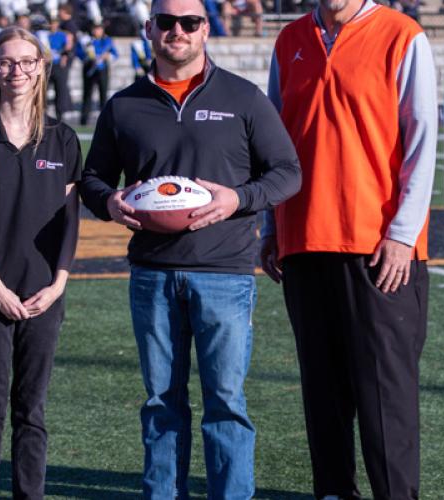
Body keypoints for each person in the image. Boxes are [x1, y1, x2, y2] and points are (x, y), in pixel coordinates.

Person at [79, 0, 301, 497]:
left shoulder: (243, 98)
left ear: (206, 29)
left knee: (225, 402)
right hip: (152, 273)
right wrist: (110, 202)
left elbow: (288, 172)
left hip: (225, 273)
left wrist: (236, 199)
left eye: (190, 22)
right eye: (166, 22)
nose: (176, 31)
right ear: (149, 28)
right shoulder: (125, 104)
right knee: (161, 401)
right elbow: (93, 178)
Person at [261, 0, 437, 498]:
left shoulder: (403, 36)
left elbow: (423, 138)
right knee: (323, 394)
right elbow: (274, 145)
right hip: (303, 240)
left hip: (379, 248)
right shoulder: (289, 40)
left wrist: (403, 233)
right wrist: (270, 227)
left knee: (386, 395)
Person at [0, 26, 81, 498]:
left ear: (43, 67)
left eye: (27, 61)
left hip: (43, 295)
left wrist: (59, 282)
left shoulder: (62, 139)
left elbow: (69, 220)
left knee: (32, 410)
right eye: (6, 61)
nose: (17, 71)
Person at [76, 21, 118, 125]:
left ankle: (104, 120)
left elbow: (115, 54)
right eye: (95, 28)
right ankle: (84, 120)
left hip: (102, 69)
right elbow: (79, 52)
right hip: (89, 68)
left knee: (103, 94)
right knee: (87, 94)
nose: (97, 31)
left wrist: (107, 56)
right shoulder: (86, 40)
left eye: (99, 28)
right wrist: (87, 56)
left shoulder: (107, 41)